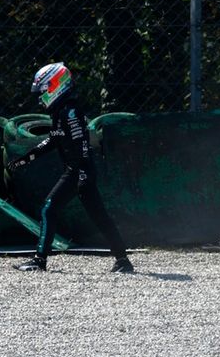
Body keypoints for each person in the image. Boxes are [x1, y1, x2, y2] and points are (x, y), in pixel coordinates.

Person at [9, 62, 134, 273]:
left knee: (50, 209)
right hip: (79, 171)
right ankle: (123, 261)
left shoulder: (70, 112)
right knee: (97, 216)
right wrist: (25, 159)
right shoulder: (63, 111)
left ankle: (40, 261)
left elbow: (81, 145)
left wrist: (82, 174)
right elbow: (53, 141)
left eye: (44, 90)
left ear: (56, 85)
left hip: (77, 171)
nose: (41, 97)